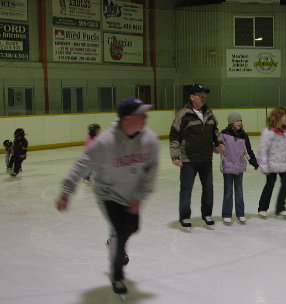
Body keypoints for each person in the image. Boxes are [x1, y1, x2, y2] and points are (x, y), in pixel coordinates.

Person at [56, 97, 159, 297]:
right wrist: (66, 193)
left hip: (131, 194)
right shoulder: (106, 142)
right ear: (127, 119)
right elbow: (81, 165)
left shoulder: (149, 140)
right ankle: (117, 276)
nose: (145, 118)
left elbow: (151, 169)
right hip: (108, 193)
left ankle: (114, 243)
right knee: (120, 232)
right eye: (141, 114)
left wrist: (139, 196)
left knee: (133, 227)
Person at [169, 84, 225, 230]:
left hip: (206, 158)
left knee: (208, 188)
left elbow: (215, 131)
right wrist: (175, 156)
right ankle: (185, 217)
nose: (203, 98)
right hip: (189, 159)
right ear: (192, 97)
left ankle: (207, 214)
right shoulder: (183, 114)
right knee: (186, 189)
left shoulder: (209, 113)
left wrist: (219, 143)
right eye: (200, 95)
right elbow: (174, 136)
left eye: (204, 95)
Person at [257, 107, 286, 219]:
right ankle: (262, 208)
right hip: (272, 163)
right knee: (270, 184)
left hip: (284, 162)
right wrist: (264, 165)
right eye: (285, 115)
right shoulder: (268, 132)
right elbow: (263, 149)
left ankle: (281, 208)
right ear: (279, 117)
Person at [220, 112, 259, 225]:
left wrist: (254, 163)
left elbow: (248, 151)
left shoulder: (244, 136)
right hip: (227, 167)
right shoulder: (224, 134)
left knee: (239, 192)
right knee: (228, 192)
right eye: (237, 121)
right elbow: (217, 147)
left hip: (239, 167)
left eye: (240, 121)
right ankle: (227, 214)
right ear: (231, 122)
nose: (239, 123)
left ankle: (240, 214)